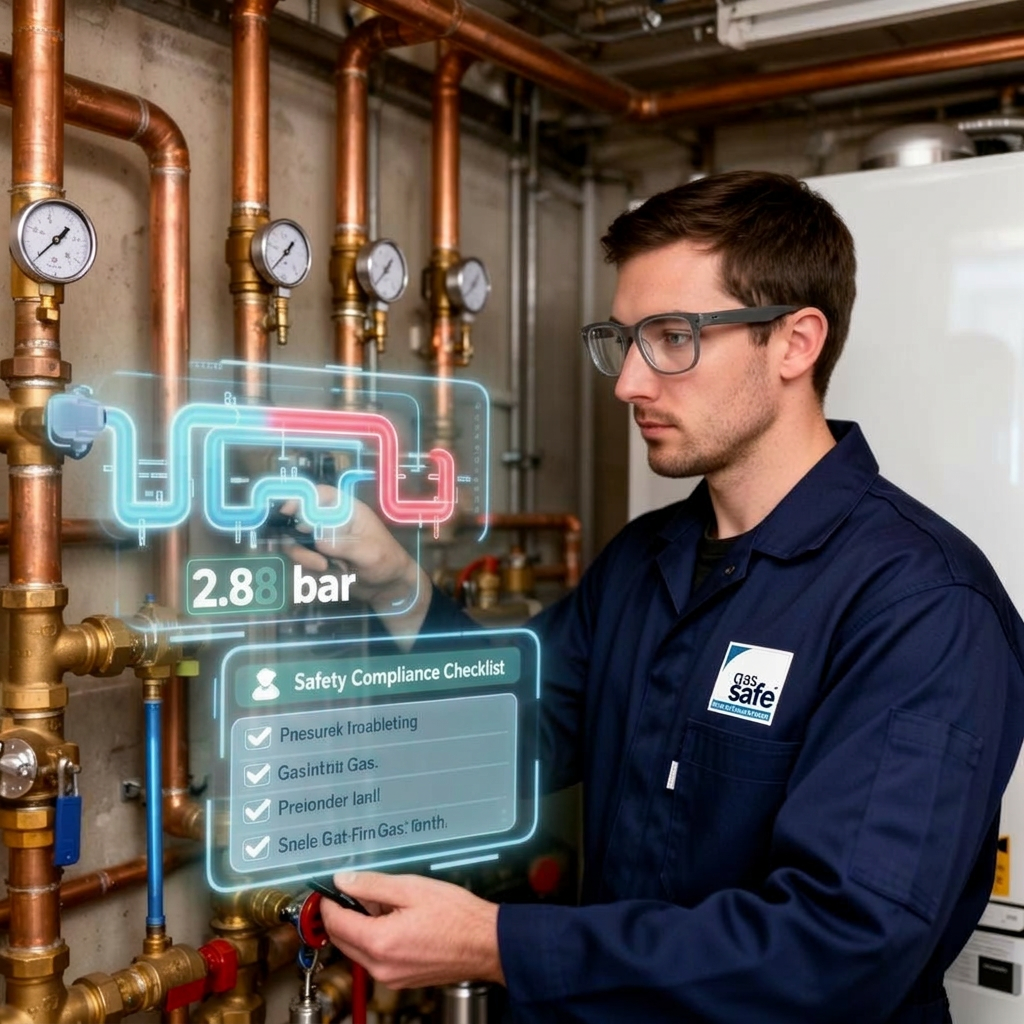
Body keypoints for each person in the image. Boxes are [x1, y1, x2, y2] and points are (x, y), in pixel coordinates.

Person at [284, 171, 1024, 1023]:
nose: (629, 383)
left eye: (673, 337)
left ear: (795, 342)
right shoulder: (645, 561)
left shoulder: (921, 605)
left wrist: (498, 945)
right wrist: (395, 582)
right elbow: (516, 726)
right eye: (624, 340)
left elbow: (839, 951)